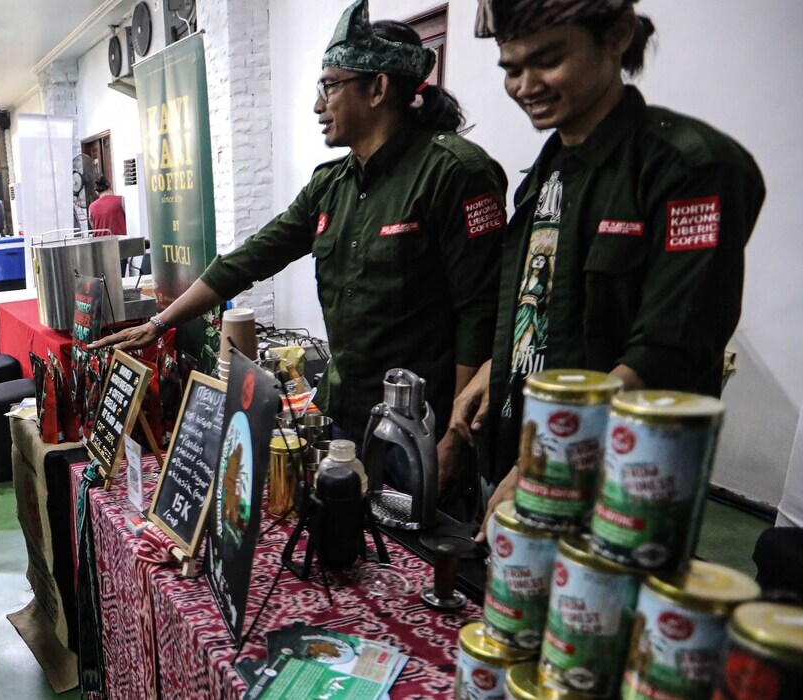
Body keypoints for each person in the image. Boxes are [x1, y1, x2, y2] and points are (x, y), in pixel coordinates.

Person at [93, 0, 506, 483]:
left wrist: (454, 437)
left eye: (330, 86)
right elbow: (250, 259)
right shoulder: (331, 185)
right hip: (346, 416)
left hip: (420, 431)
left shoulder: (453, 173)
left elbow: (480, 314)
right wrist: (159, 323)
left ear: (377, 89)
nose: (317, 105)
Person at [451, 0, 766, 530]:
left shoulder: (690, 167)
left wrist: (544, 463)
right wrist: (495, 368)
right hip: (523, 446)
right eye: (512, 68)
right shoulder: (548, 172)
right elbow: (540, 302)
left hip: (623, 480)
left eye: (548, 60)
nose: (526, 86)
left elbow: (668, 350)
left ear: (617, 35)